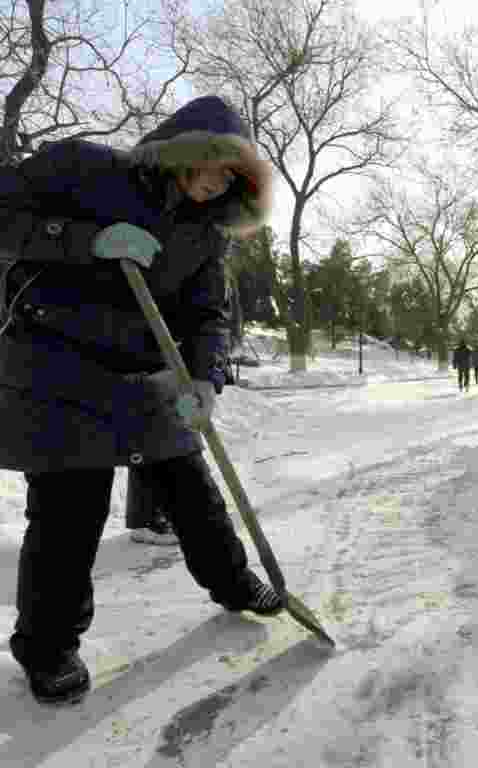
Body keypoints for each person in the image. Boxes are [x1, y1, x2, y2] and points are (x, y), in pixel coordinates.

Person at [0, 95, 283, 706]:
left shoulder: (207, 236)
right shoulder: (80, 169)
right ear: (182, 151)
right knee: (71, 511)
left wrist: (205, 378)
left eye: (229, 177)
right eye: (209, 165)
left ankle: (232, 582)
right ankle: (47, 649)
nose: (215, 184)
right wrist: (87, 240)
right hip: (58, 362)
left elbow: (209, 314)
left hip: (148, 368)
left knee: (191, 488)